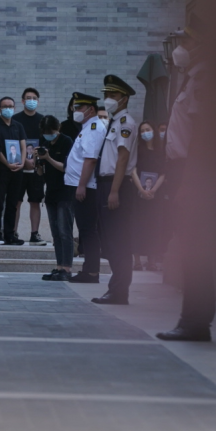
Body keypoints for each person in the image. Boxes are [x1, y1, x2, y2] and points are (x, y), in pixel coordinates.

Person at [157, 27, 216, 341]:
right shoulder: (191, 77)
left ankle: (195, 321)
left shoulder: (202, 77)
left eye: (185, 41)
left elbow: (201, 136)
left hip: (191, 172)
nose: (179, 47)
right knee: (190, 248)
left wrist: (189, 182)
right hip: (182, 170)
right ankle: (195, 319)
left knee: (194, 250)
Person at [87, 75, 140, 305]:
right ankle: (116, 289)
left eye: (113, 95)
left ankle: (119, 291)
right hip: (105, 183)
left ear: (124, 98)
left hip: (115, 184)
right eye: (106, 94)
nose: (108, 98)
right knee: (109, 240)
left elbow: (123, 159)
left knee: (118, 241)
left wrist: (115, 190)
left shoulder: (126, 123)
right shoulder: (115, 122)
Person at [63, 92, 108, 283]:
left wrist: (81, 186)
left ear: (90, 109)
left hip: (87, 187)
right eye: (75, 107)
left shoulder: (95, 128)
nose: (76, 111)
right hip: (81, 185)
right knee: (85, 229)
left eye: (79, 107)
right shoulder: (88, 127)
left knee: (88, 230)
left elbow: (90, 160)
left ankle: (91, 272)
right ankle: (89, 270)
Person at [37, 115, 76, 281]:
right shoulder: (44, 143)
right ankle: (59, 267)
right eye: (45, 132)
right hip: (51, 192)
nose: (48, 135)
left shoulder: (66, 141)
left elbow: (66, 167)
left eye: (51, 131)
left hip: (65, 192)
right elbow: (40, 173)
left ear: (58, 129)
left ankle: (67, 268)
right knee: (56, 233)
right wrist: (38, 162)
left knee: (65, 231)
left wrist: (48, 158)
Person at [130, 121, 167, 272]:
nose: (145, 133)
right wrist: (142, 189)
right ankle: (137, 261)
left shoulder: (161, 150)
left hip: (155, 195)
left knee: (154, 226)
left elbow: (164, 173)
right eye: (142, 130)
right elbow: (133, 170)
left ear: (154, 131)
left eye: (148, 129)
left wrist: (153, 190)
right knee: (137, 226)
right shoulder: (137, 150)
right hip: (138, 193)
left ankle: (152, 261)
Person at [0, 97, 27, 246]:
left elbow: (23, 145)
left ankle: (10, 234)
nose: (8, 109)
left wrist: (22, 163)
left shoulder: (18, 126)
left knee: (13, 204)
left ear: (14, 108)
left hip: (17, 170)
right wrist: (7, 163)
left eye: (10, 106)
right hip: (1, 169)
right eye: (5, 106)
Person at [16, 87, 47, 246]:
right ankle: (12, 232)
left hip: (36, 169)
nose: (31, 100)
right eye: (28, 98)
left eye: (34, 98)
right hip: (18, 169)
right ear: (22, 101)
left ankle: (35, 234)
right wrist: (23, 160)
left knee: (35, 201)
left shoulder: (43, 121)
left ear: (38, 101)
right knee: (16, 201)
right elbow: (12, 143)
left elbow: (46, 143)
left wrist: (37, 159)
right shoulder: (15, 120)